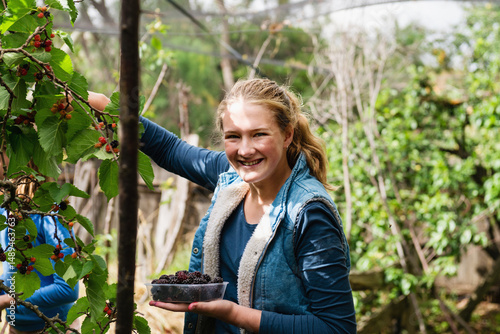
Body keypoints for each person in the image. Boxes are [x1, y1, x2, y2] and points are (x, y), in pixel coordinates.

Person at [90, 78, 357, 333]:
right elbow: (170, 150)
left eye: (258, 134)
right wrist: (105, 107)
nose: (245, 150)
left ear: (287, 135)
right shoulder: (231, 175)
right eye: (233, 137)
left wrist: (232, 313)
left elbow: (337, 327)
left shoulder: (309, 214)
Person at [0, 170, 79, 333]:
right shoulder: (5, 212)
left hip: (52, 326)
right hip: (17, 326)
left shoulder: (51, 217)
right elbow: (12, 270)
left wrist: (8, 300)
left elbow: (68, 288)